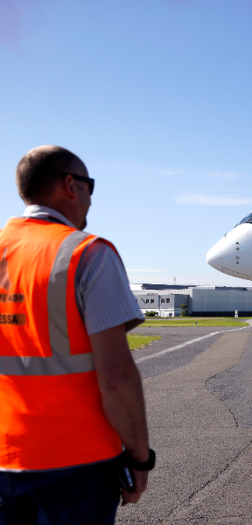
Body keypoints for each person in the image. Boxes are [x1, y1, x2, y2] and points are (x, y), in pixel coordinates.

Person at [0, 146, 153, 524]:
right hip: (77, 465)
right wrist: (139, 456)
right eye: (91, 186)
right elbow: (116, 377)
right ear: (71, 185)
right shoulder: (87, 254)